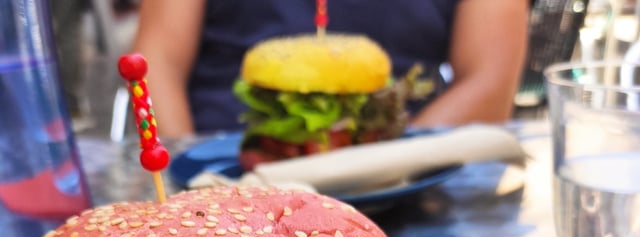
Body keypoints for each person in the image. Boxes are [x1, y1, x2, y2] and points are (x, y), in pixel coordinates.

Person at [132, 0, 529, 138]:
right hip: (218, 167)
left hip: (413, 180)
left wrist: (392, 167)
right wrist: (189, 186)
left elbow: (489, 82)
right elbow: (155, 60)